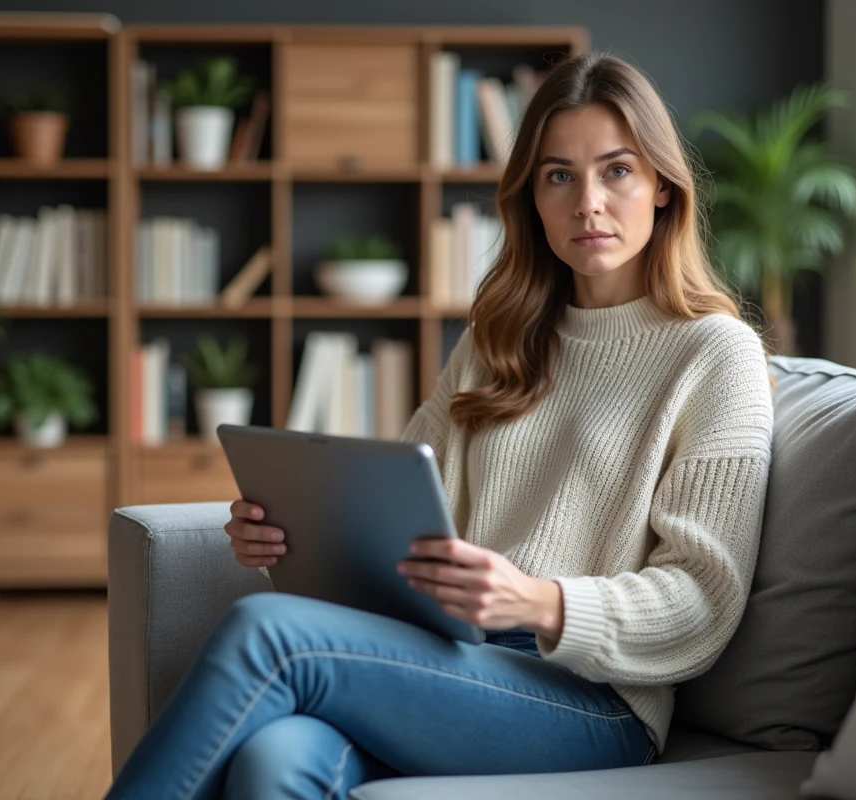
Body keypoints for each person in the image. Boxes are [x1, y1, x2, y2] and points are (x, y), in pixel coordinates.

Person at [105, 51, 774, 800]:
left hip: (592, 699)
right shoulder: (495, 342)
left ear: (662, 187)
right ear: (531, 198)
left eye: (616, 170)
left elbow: (703, 600)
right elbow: (391, 527)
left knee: (268, 633)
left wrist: (540, 601)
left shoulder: (715, 354)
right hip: (449, 660)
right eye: (559, 175)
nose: (588, 201)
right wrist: (286, 542)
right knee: (278, 759)